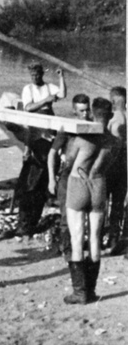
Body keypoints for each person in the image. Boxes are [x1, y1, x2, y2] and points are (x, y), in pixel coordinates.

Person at [62, 98, 116, 303]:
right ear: (110, 116)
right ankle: (91, 290)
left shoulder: (82, 138)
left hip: (79, 182)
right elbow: (108, 164)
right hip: (99, 184)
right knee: (94, 238)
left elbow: (68, 162)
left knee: (77, 237)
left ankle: (80, 292)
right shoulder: (113, 141)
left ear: (92, 114)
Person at [48, 94, 92, 257]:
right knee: (67, 215)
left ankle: (77, 245)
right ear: (74, 111)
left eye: (87, 110)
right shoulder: (67, 129)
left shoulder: (92, 128)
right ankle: (66, 248)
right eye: (81, 111)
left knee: (83, 214)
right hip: (66, 176)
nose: (85, 114)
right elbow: (52, 153)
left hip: (85, 177)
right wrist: (52, 179)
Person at [106, 86, 127, 254]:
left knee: (103, 202)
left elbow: (112, 147)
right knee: (119, 204)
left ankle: (101, 237)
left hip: (112, 165)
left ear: (113, 101)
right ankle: (114, 238)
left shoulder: (113, 120)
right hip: (125, 167)